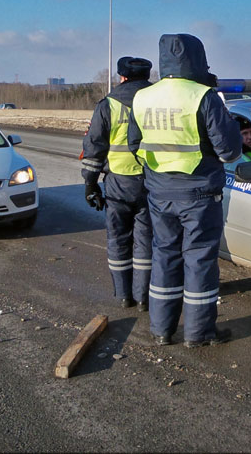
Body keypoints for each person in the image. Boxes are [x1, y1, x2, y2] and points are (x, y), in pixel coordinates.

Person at [128, 33, 242, 348]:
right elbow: (230, 152)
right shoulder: (204, 96)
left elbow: (135, 145)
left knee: (164, 256)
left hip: (159, 193)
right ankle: (198, 333)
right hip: (199, 195)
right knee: (199, 261)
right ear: (198, 59)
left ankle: (161, 330)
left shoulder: (143, 97)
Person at [82, 56, 155, 310]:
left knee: (118, 239)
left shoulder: (108, 104)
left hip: (118, 184)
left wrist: (90, 184)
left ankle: (124, 295)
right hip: (151, 182)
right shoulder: (156, 101)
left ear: (122, 77)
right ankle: (143, 297)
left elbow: (94, 147)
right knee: (146, 241)